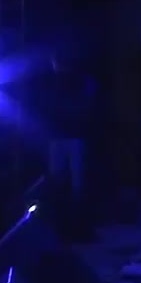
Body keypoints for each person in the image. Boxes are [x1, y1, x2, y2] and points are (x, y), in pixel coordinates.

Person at [45, 51, 95, 204]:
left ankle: (69, 204)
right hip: (67, 134)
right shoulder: (75, 81)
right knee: (74, 176)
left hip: (67, 134)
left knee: (67, 175)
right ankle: (70, 203)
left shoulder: (67, 81)